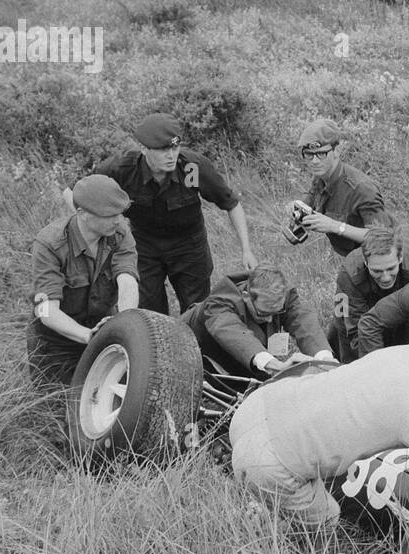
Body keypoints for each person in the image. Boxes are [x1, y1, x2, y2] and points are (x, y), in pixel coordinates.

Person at [228, 309, 409, 527]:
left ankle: (258, 501)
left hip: (257, 407)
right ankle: (279, 531)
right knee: (328, 519)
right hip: (268, 462)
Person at [68, 113, 256, 315]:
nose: (171, 155)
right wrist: (97, 229)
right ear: (143, 149)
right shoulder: (123, 169)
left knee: (197, 311)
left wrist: (246, 250)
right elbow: (73, 192)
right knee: (150, 313)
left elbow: (231, 204)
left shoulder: (192, 166)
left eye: (175, 147)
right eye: (163, 149)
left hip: (189, 247)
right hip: (144, 248)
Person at [28, 174, 140, 385]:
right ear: (82, 213)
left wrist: (124, 326)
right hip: (56, 340)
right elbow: (47, 311)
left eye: (120, 213)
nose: (118, 220)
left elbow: (127, 280)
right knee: (54, 407)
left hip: (103, 329)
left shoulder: (120, 233)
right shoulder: (49, 243)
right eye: (109, 215)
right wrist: (88, 336)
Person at [182, 266, 333, 379]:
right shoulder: (218, 303)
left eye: (277, 313)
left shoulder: (282, 294)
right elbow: (235, 336)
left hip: (241, 358)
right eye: (264, 313)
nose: (270, 320)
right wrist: (276, 367)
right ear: (247, 297)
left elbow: (302, 319)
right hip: (192, 356)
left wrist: (324, 358)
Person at [329, 217, 409, 361]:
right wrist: (378, 365)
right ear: (366, 262)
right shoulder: (350, 274)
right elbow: (354, 331)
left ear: (400, 258)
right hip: (357, 316)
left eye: (391, 268)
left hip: (400, 311)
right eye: (377, 271)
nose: (385, 278)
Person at [282, 119, 388, 260]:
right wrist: (296, 209)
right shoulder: (321, 177)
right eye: (309, 154)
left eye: (321, 154)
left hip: (381, 262)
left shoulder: (361, 188)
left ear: (336, 151)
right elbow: (310, 202)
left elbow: (382, 238)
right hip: (353, 259)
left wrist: (334, 226)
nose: (314, 161)